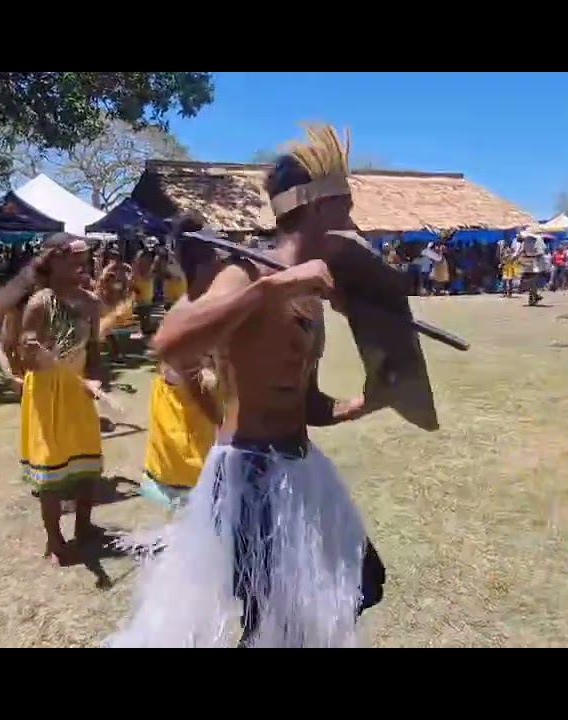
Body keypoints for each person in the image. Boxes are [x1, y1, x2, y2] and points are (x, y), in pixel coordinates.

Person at [107, 124, 390, 648]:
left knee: (361, 584)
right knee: (272, 622)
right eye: (345, 210)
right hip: (250, 478)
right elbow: (169, 344)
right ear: (319, 211)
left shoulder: (312, 292)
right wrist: (274, 288)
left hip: (302, 473)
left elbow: (305, 404)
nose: (351, 224)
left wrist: (366, 402)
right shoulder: (246, 275)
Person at [0, 234, 106, 565]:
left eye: (79, 257)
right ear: (53, 261)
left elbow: (94, 350)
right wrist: (33, 352)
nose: (78, 263)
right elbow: (25, 353)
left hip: (79, 391)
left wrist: (95, 377)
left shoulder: (90, 302)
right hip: (46, 394)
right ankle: (55, 541)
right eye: (70, 257)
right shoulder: (40, 303)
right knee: (52, 471)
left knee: (87, 466)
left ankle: (84, 527)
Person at [138, 212, 224, 510]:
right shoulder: (190, 313)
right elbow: (194, 384)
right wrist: (223, 424)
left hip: (194, 414)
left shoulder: (206, 304)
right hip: (189, 420)